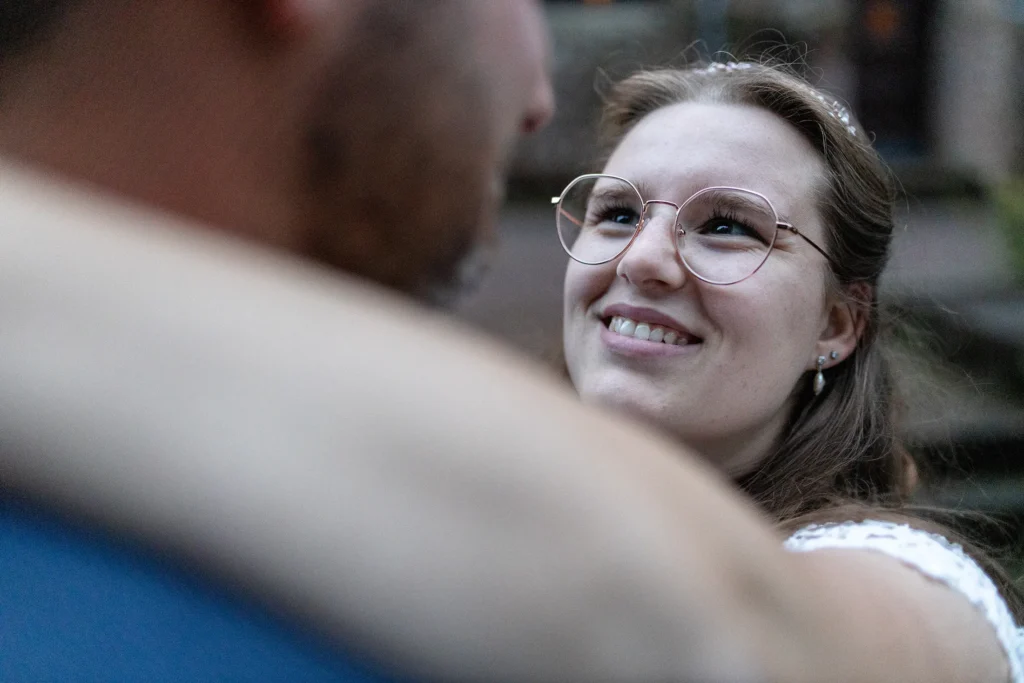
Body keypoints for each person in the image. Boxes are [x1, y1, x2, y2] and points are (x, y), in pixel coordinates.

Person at [554, 60, 1024, 682]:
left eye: (726, 226)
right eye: (616, 213)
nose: (642, 259)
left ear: (834, 325)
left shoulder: (902, 586)